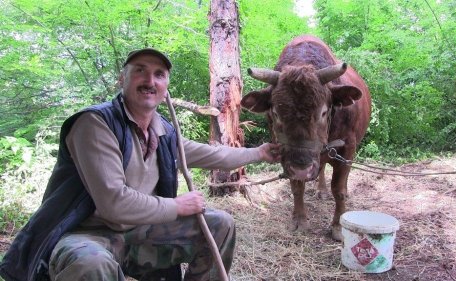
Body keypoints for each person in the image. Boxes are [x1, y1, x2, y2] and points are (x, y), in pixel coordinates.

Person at [0, 48, 280, 281]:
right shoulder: (95, 124)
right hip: (86, 234)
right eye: (140, 71)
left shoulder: (164, 132)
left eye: (159, 74)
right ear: (122, 79)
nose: (150, 80)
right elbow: (114, 203)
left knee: (220, 224)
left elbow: (213, 155)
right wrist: (177, 206)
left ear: (166, 86)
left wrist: (259, 153)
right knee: (92, 265)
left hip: (138, 232)